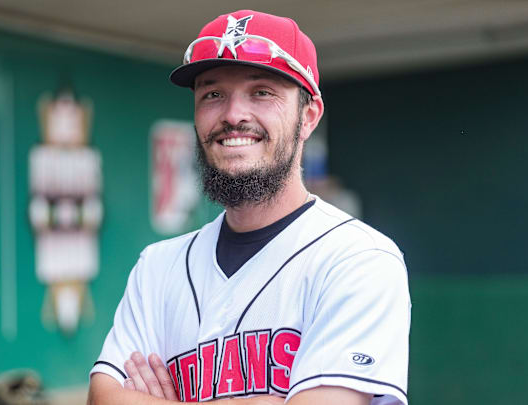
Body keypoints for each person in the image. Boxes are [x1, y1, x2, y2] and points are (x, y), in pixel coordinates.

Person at [88, 9, 410, 405]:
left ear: (308, 117)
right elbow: (105, 399)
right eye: (212, 94)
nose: (233, 115)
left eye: (262, 92)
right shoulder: (156, 267)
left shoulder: (357, 259)